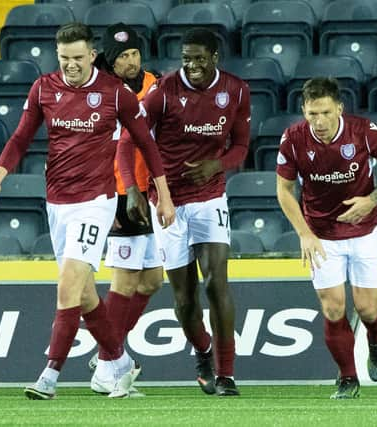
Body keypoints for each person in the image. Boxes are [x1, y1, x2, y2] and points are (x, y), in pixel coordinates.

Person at [0, 22, 175, 400]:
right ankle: (116, 366)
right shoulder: (44, 88)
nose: (69, 65)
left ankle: (50, 376)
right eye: (63, 58)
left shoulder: (115, 93)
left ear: (91, 56)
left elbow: (148, 147)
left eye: (76, 58)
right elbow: (21, 136)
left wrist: (163, 196)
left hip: (96, 202)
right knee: (85, 295)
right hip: (57, 203)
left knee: (68, 284)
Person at [117, 28, 251, 396]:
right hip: (168, 204)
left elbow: (241, 146)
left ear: (215, 58)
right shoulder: (165, 92)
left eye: (198, 58)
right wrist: (132, 190)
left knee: (216, 282)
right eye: (186, 58)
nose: (191, 65)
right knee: (184, 299)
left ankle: (227, 373)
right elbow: (128, 141)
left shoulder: (236, 90)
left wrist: (218, 165)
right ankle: (203, 353)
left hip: (210, 198)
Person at [275, 77, 377, 399]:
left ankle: (376, 342)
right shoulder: (292, 139)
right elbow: (283, 191)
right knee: (334, 309)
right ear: (303, 111)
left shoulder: (364, 131)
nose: (318, 122)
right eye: (311, 114)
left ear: (339, 108)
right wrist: (304, 234)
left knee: (367, 310)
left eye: (324, 113)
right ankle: (347, 379)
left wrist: (372, 199)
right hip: (322, 236)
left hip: (363, 233)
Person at [86, 23, 164, 397]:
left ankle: (108, 346)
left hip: (148, 193)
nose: (131, 62)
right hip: (118, 193)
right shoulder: (98, 92)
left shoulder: (157, 84)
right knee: (126, 279)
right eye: (122, 57)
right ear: (110, 61)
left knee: (152, 280)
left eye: (134, 54)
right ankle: (106, 366)